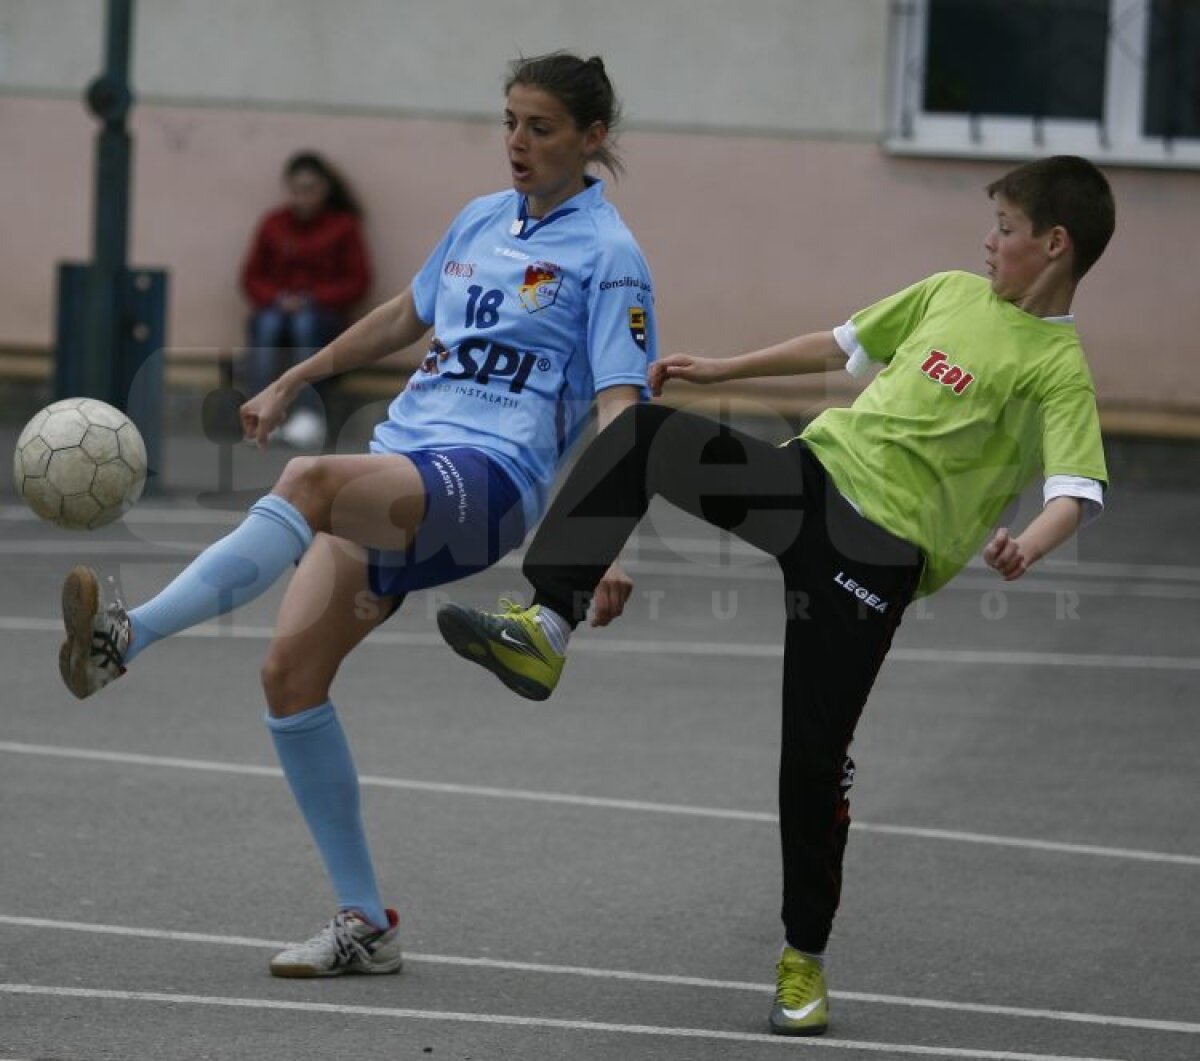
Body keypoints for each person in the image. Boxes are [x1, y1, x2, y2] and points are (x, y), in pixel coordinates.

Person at [436, 155, 1115, 1036]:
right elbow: (839, 345)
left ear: (1054, 244)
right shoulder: (950, 292)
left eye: (1008, 230)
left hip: (877, 559)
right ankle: (549, 622)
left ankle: (805, 958)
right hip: (807, 484)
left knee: (812, 763)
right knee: (643, 435)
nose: (989, 242)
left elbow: (1077, 489)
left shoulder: (1058, 367)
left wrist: (1027, 542)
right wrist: (719, 371)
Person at [58, 52, 655, 978]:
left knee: (307, 480)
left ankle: (124, 640)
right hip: (403, 464)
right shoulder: (479, 220)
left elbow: (624, 403)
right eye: (508, 122)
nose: (517, 144)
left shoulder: (609, 254)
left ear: (592, 139)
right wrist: (299, 372)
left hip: (488, 483)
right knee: (289, 676)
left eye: (540, 127)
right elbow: (401, 317)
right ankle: (365, 922)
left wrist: (601, 535)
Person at [239, 150, 372, 448]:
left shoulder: (342, 226)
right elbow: (251, 277)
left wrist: (315, 298)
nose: (304, 197)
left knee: (305, 323)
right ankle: (260, 411)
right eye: (297, 190)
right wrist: (276, 297)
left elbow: (357, 280)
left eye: (311, 189)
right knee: (267, 323)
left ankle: (309, 415)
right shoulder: (273, 224)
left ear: (324, 189)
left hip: (321, 315)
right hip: (277, 309)